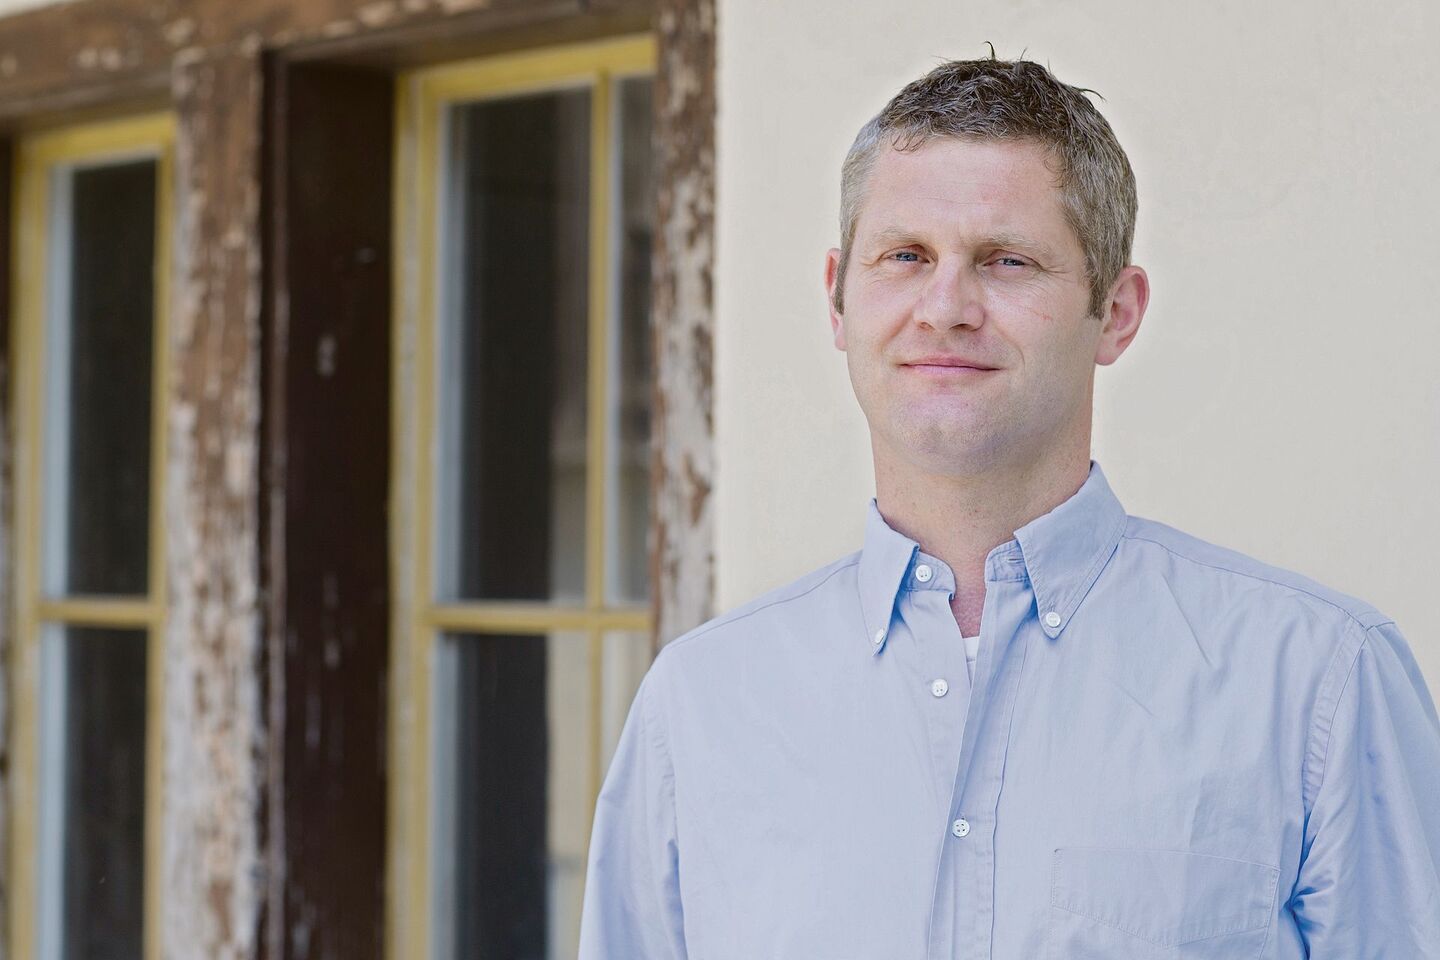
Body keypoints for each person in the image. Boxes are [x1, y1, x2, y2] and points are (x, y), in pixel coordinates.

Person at [577, 54, 1440, 959]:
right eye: (906, 256)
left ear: (1117, 312)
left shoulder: (1318, 683)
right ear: (838, 298)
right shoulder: (700, 705)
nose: (945, 307)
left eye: (1007, 261)